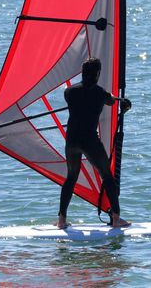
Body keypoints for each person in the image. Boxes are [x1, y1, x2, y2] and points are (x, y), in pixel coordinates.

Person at [57, 57, 131, 229]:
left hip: (71, 141)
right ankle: (116, 218)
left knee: (71, 178)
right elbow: (110, 100)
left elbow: (84, 96)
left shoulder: (69, 92)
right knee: (107, 176)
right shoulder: (100, 93)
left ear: (83, 73)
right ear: (97, 74)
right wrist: (121, 101)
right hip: (89, 141)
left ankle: (61, 220)